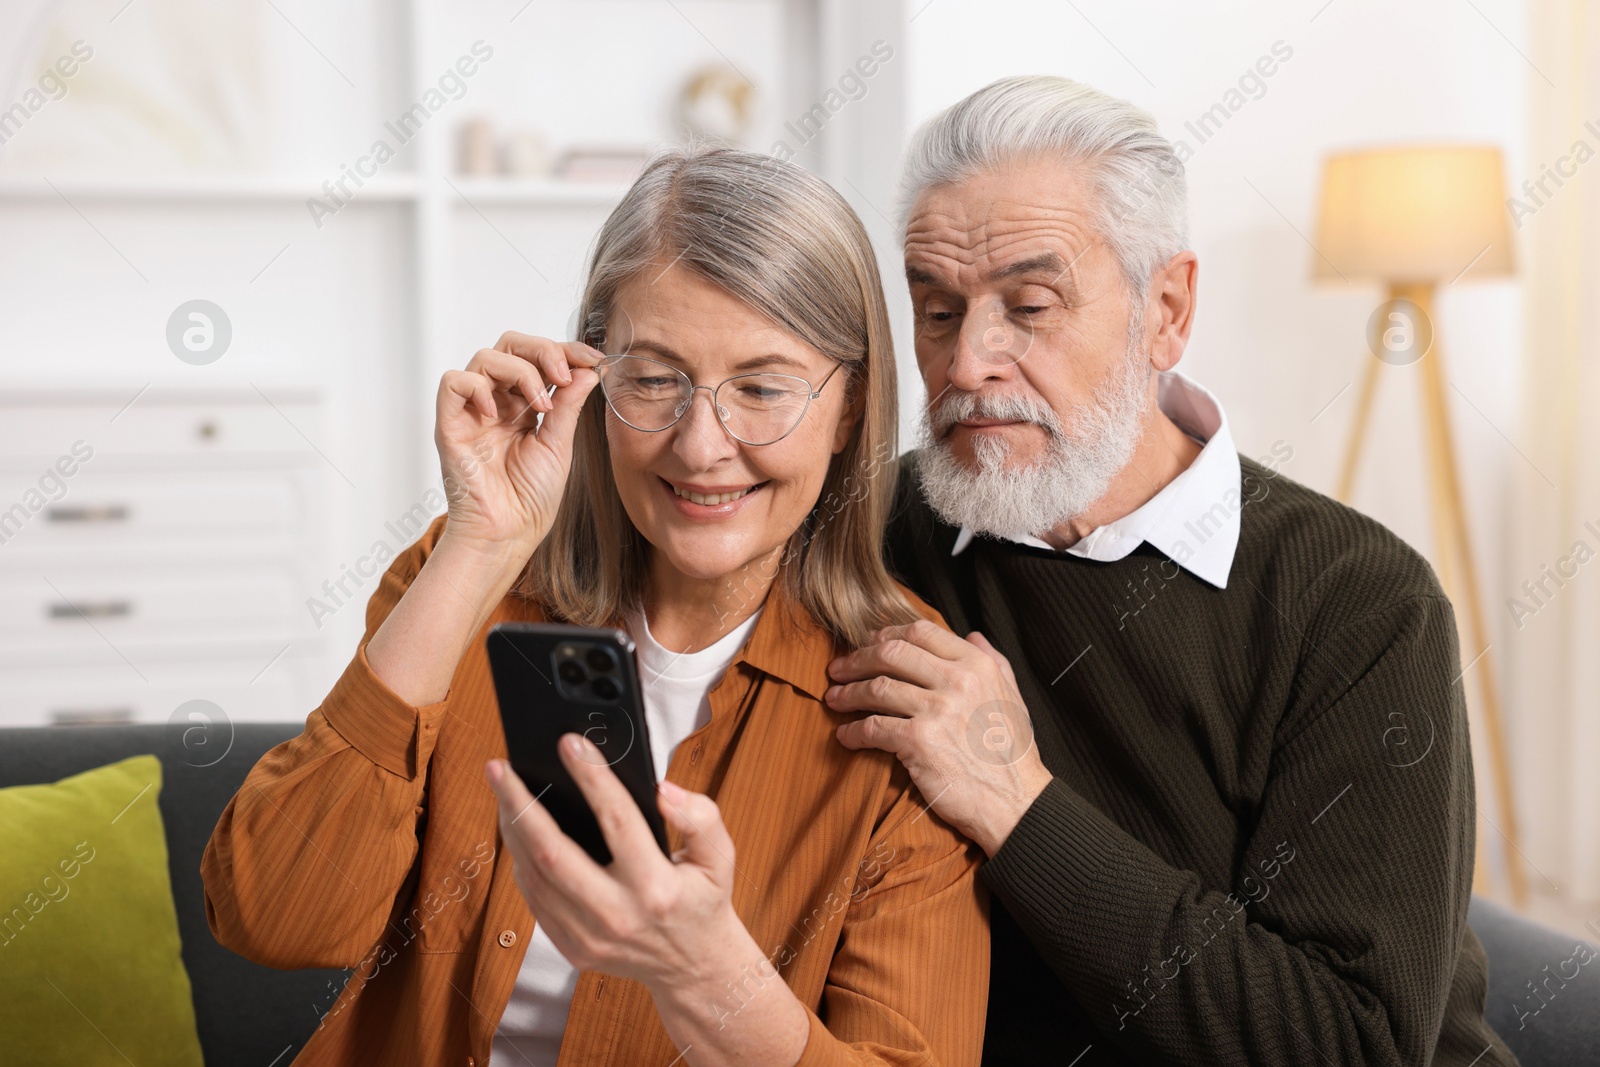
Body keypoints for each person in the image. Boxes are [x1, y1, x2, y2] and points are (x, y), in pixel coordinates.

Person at [201, 147, 988, 1067]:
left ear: (850, 407)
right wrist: (481, 542)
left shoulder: (911, 699)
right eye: (654, 379)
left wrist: (706, 971)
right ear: (590, 377)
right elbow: (274, 917)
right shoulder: (470, 582)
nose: (702, 447)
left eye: (763, 390)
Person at [824, 76, 1519, 1066]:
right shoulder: (878, 535)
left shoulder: (1357, 603)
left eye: (1027, 305)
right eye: (937, 311)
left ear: (1166, 308)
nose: (969, 360)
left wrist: (1015, 799)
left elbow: (1346, 1045)